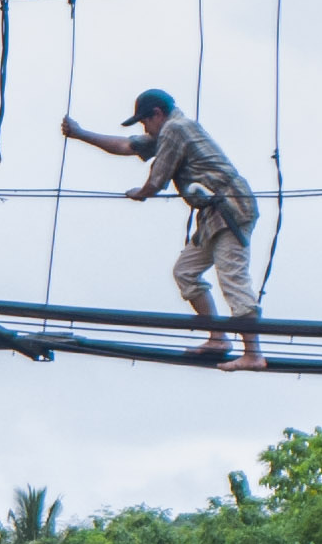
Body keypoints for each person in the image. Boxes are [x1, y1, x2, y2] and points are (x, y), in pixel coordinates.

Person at [60, 88, 266, 368]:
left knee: (232, 278)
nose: (145, 128)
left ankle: (253, 354)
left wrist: (141, 192)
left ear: (156, 114)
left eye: (145, 122)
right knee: (186, 272)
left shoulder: (175, 129)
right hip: (211, 215)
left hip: (230, 208)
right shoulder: (168, 132)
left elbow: (156, 181)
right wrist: (80, 134)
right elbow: (127, 146)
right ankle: (218, 338)